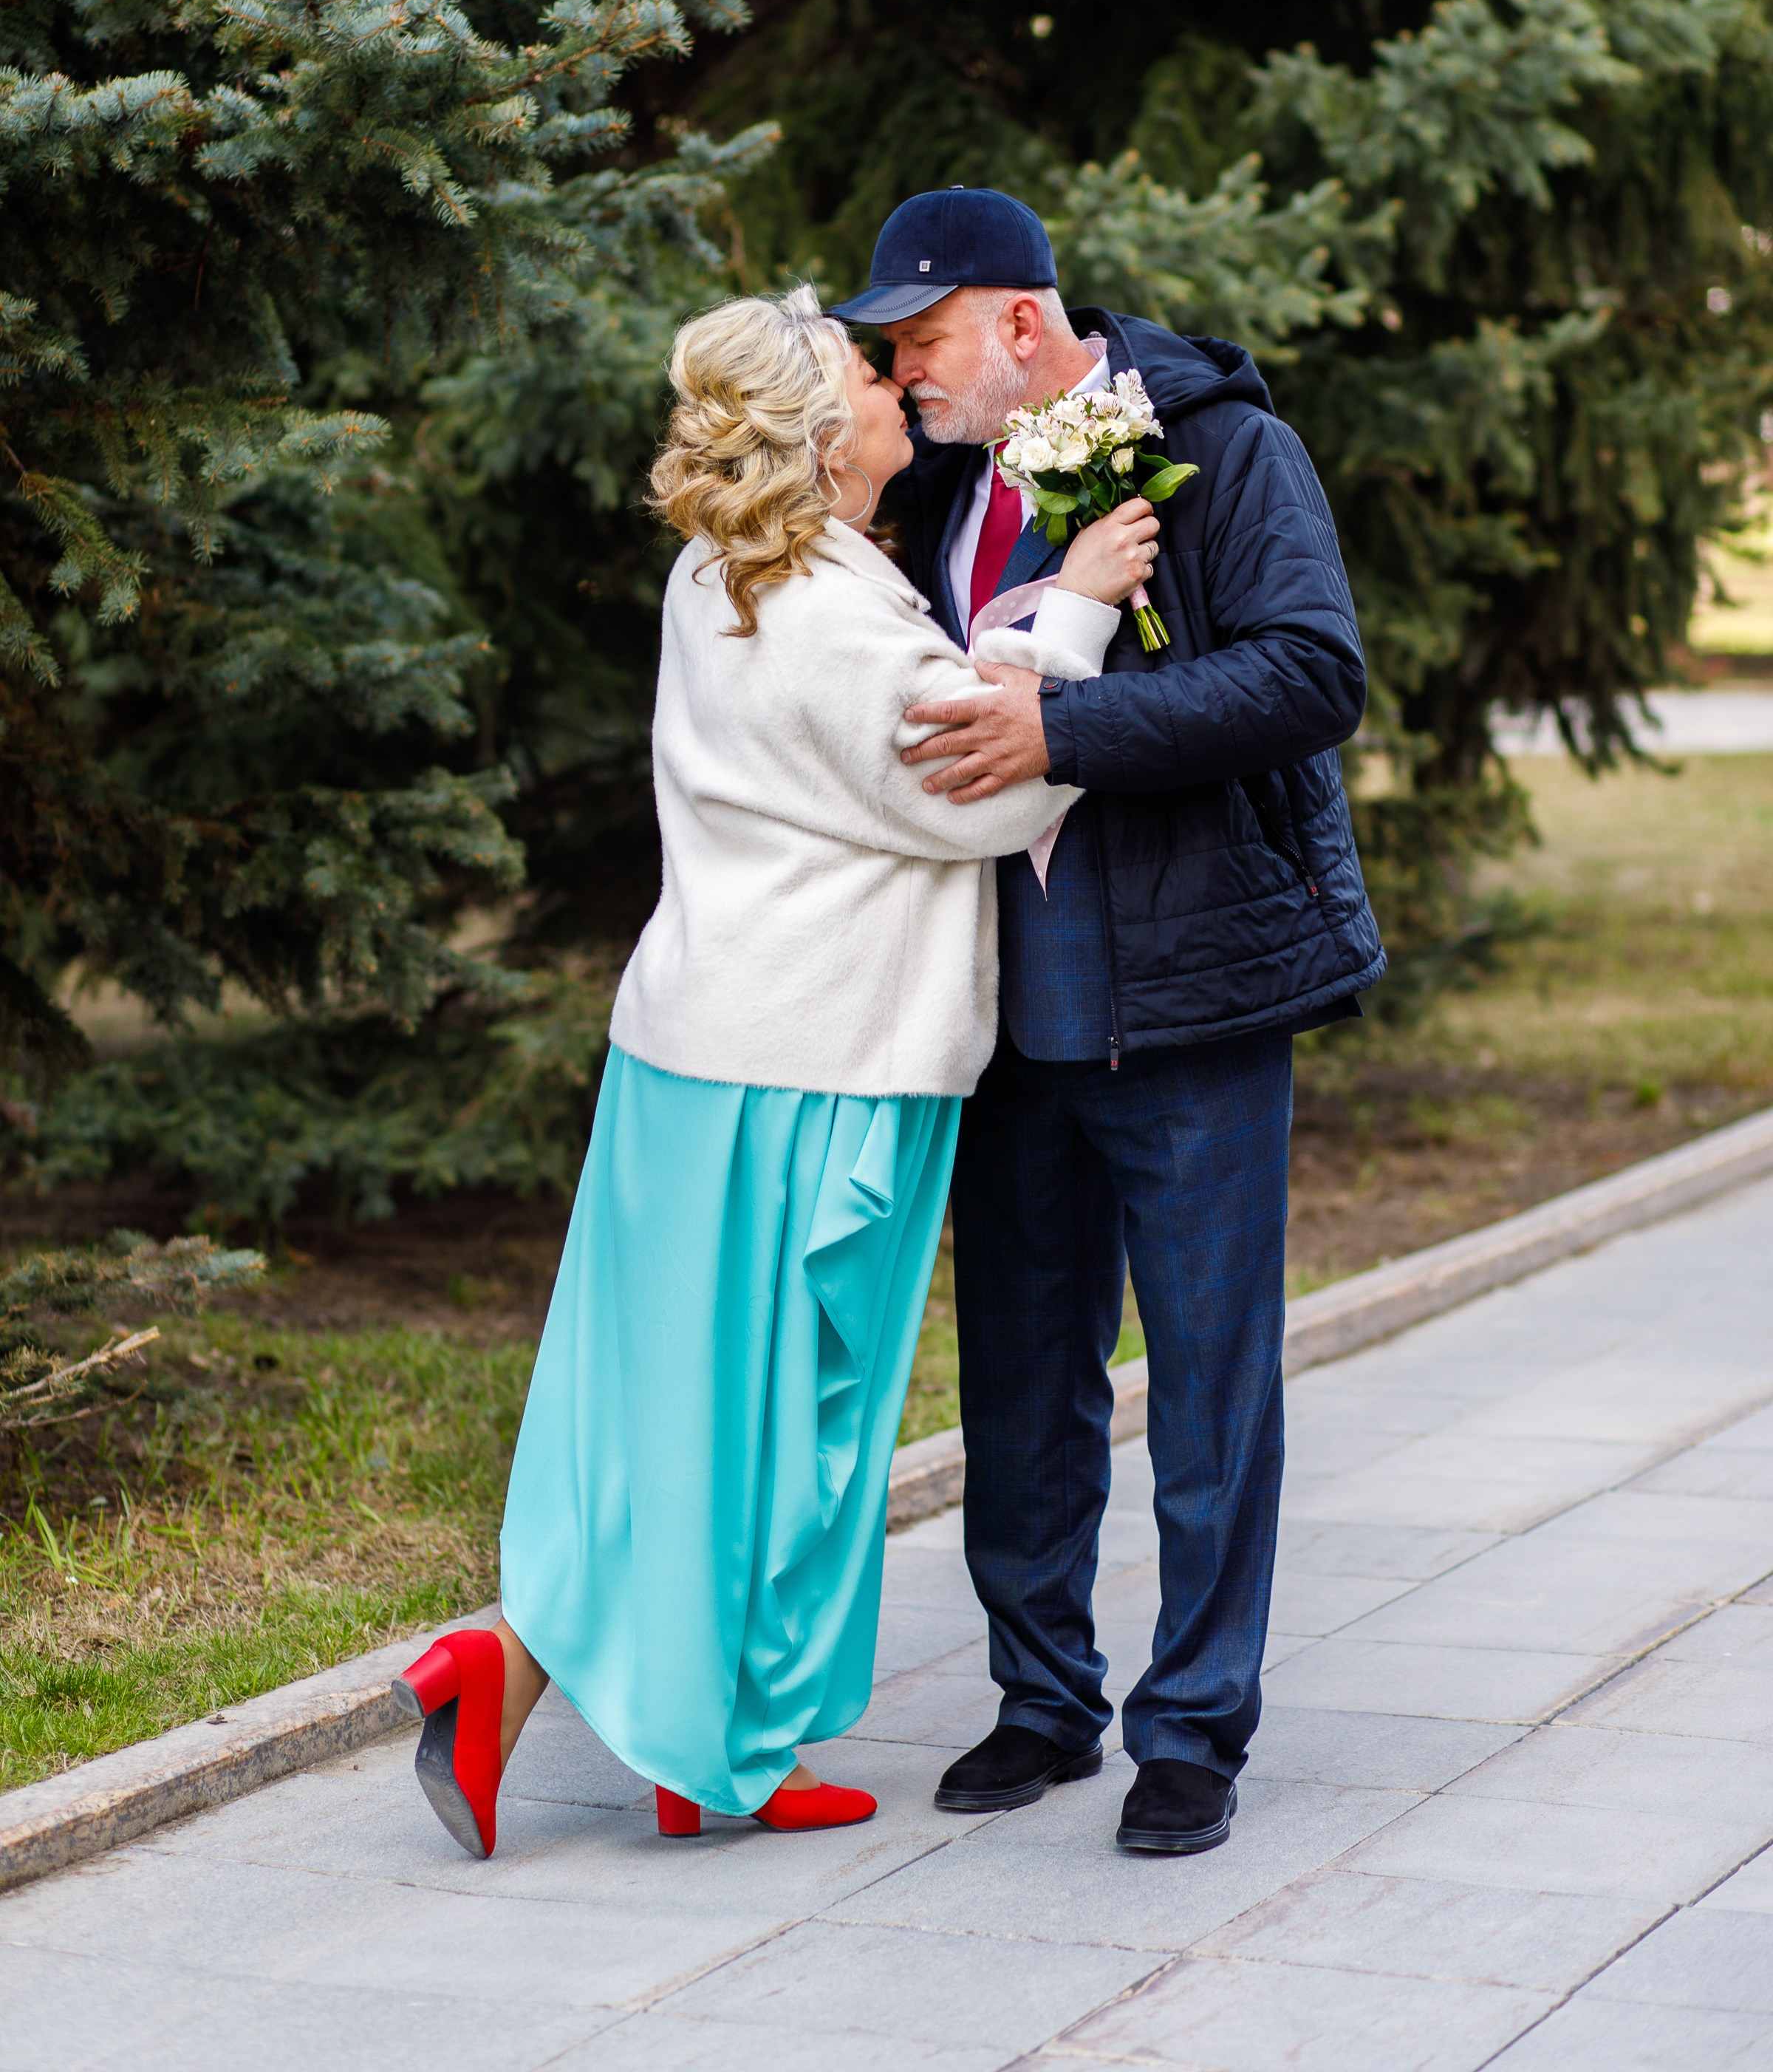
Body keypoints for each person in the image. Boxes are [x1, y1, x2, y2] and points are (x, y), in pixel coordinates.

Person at [389, 284, 1158, 1855]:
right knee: (797, 1419)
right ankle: (711, 1742)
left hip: (694, 1055)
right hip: (821, 1071)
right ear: (822, 441)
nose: (897, 394)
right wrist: (1074, 605)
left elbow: (897, 706)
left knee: (659, 1409)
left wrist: (1012, 623)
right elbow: (983, 780)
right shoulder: (823, 610)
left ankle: (599, 1703)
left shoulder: (727, 575)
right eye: (871, 383)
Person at [831, 185, 1384, 1857]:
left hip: (1196, 995)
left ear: (1016, 323)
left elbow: (1311, 674)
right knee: (1019, 1377)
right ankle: (1041, 1701)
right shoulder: (932, 481)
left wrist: (1069, 731)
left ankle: (1195, 1729)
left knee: (1209, 1381)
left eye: (919, 339)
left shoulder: (1221, 450)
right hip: (996, 1012)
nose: (903, 372)